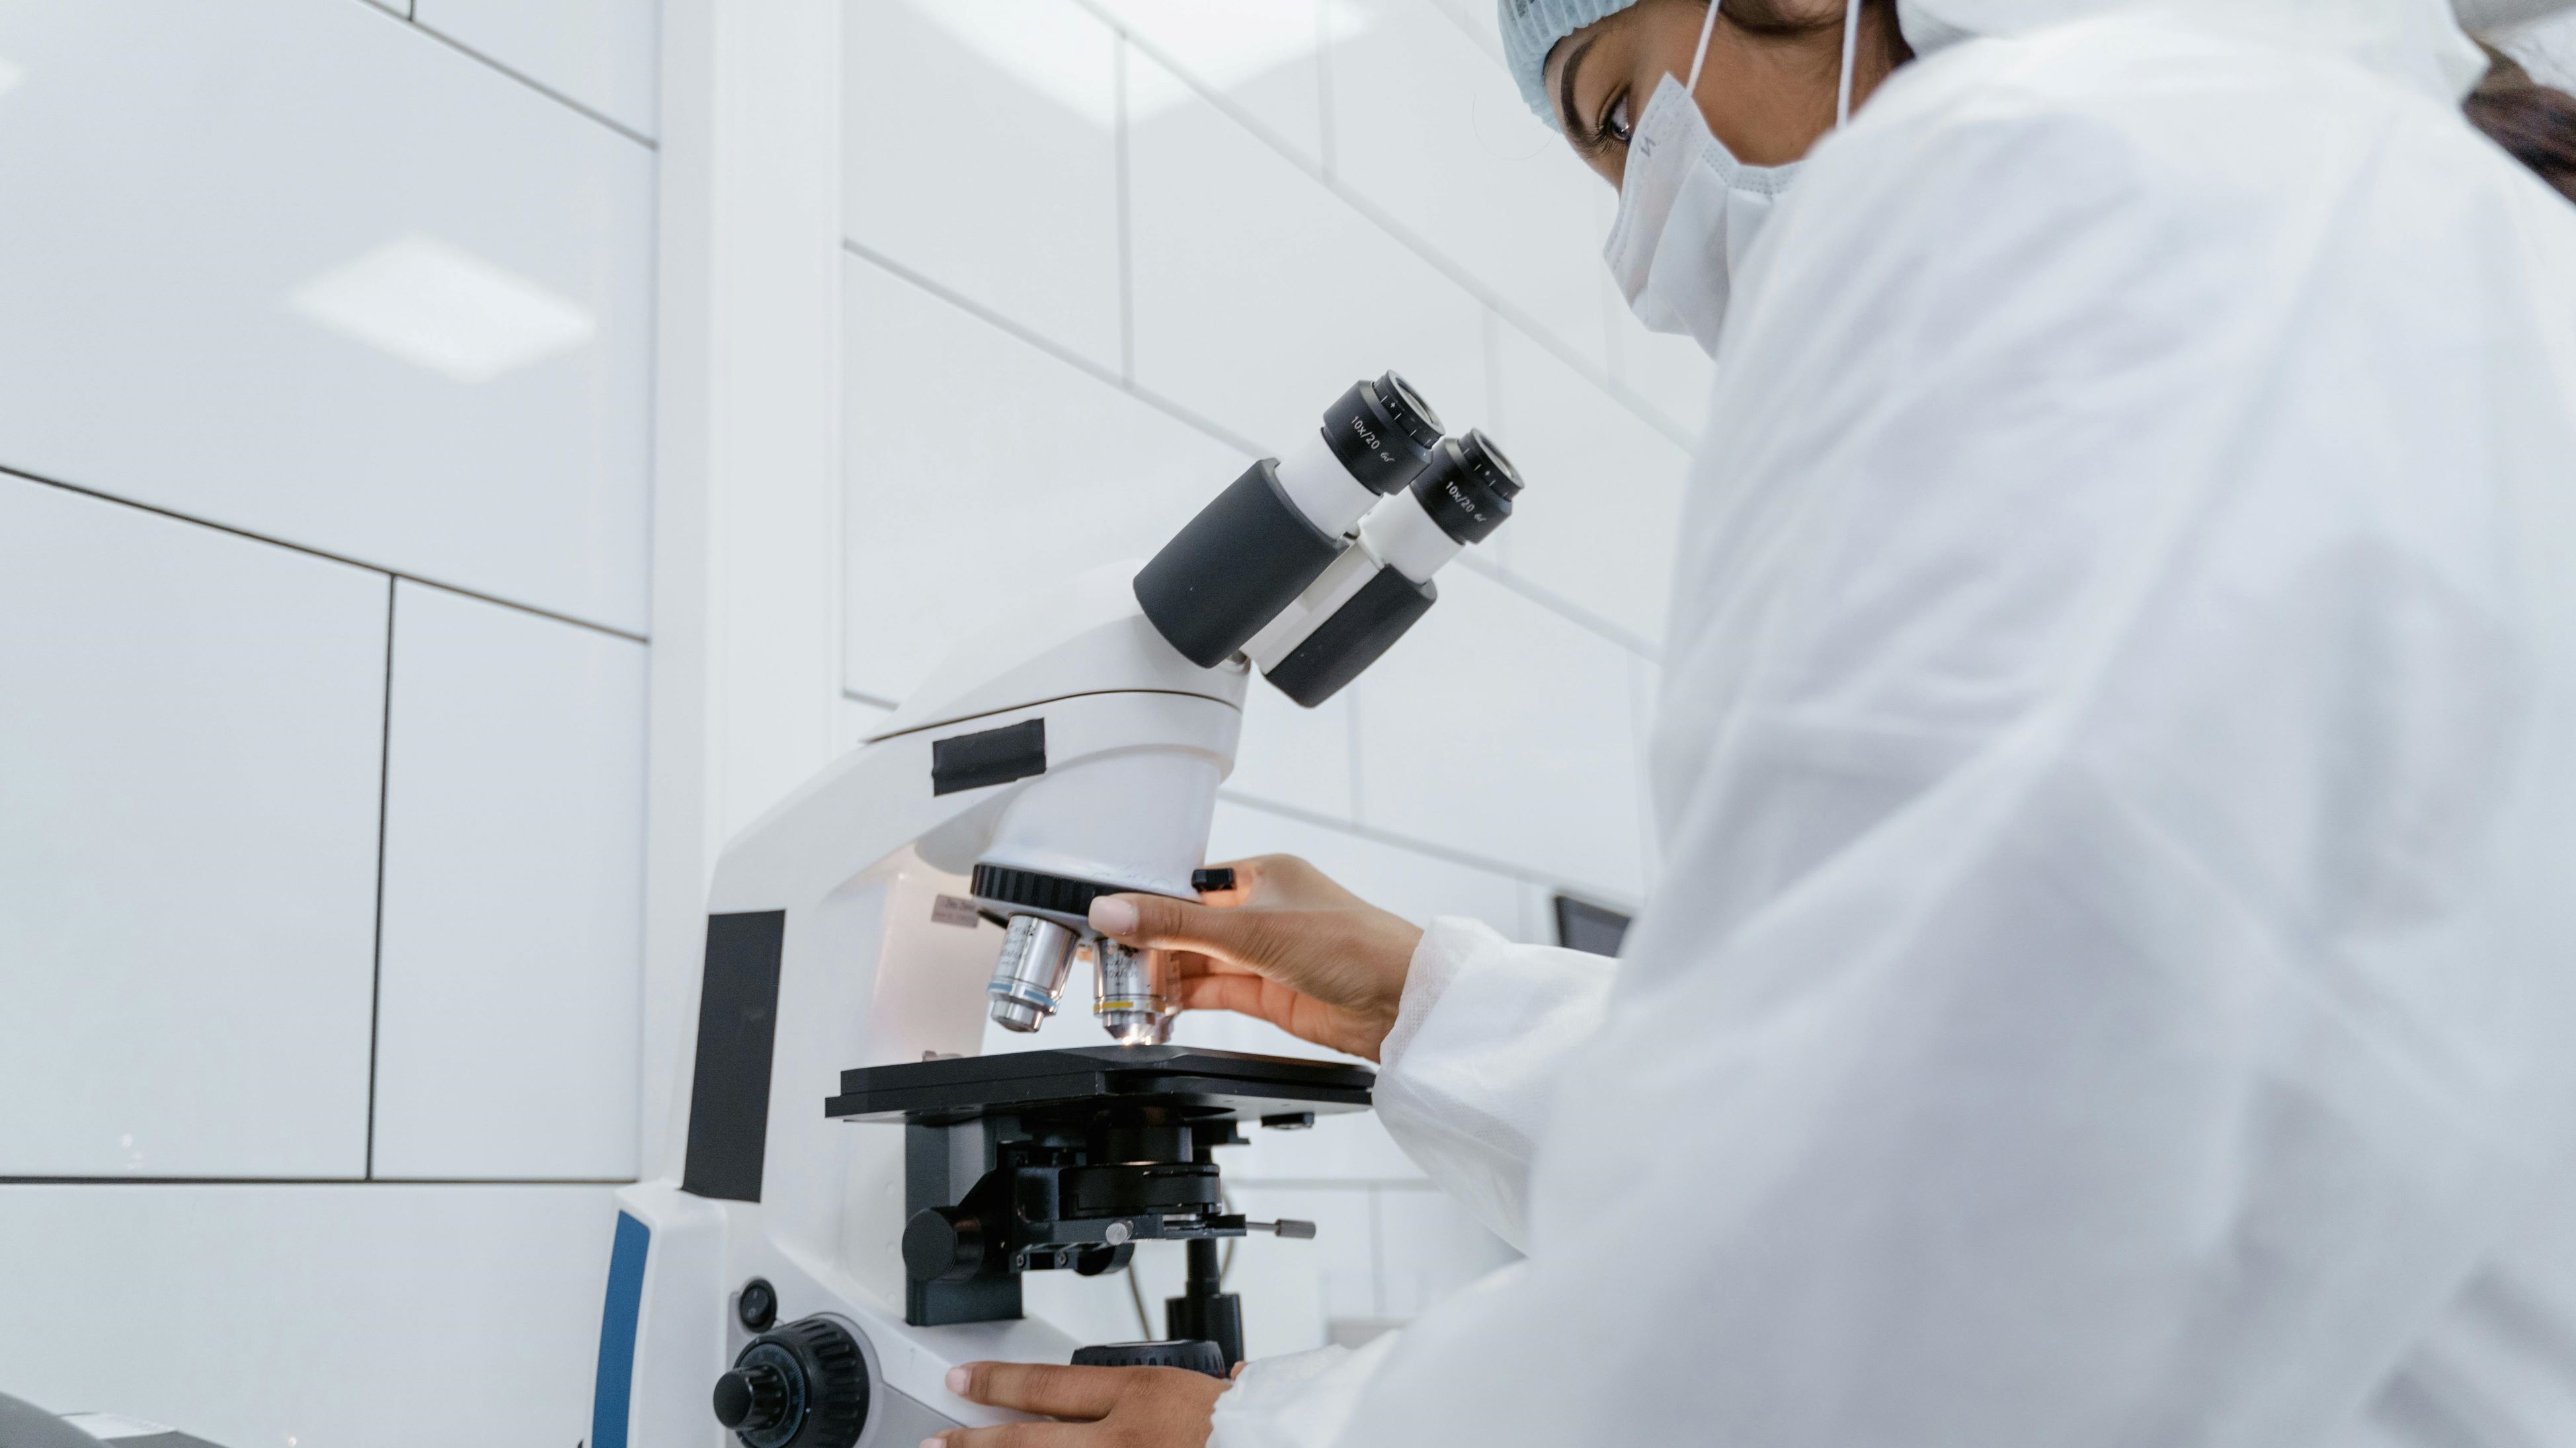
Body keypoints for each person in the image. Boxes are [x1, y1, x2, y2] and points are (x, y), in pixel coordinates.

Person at [926, 1, 2576, 1443]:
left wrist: (1273, 1439)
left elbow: (1887, 1256)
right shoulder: (2362, 195)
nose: (1643, 247)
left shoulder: (2042, 182)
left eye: (1625, 115)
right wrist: (1422, 997)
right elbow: (2055, 1044)